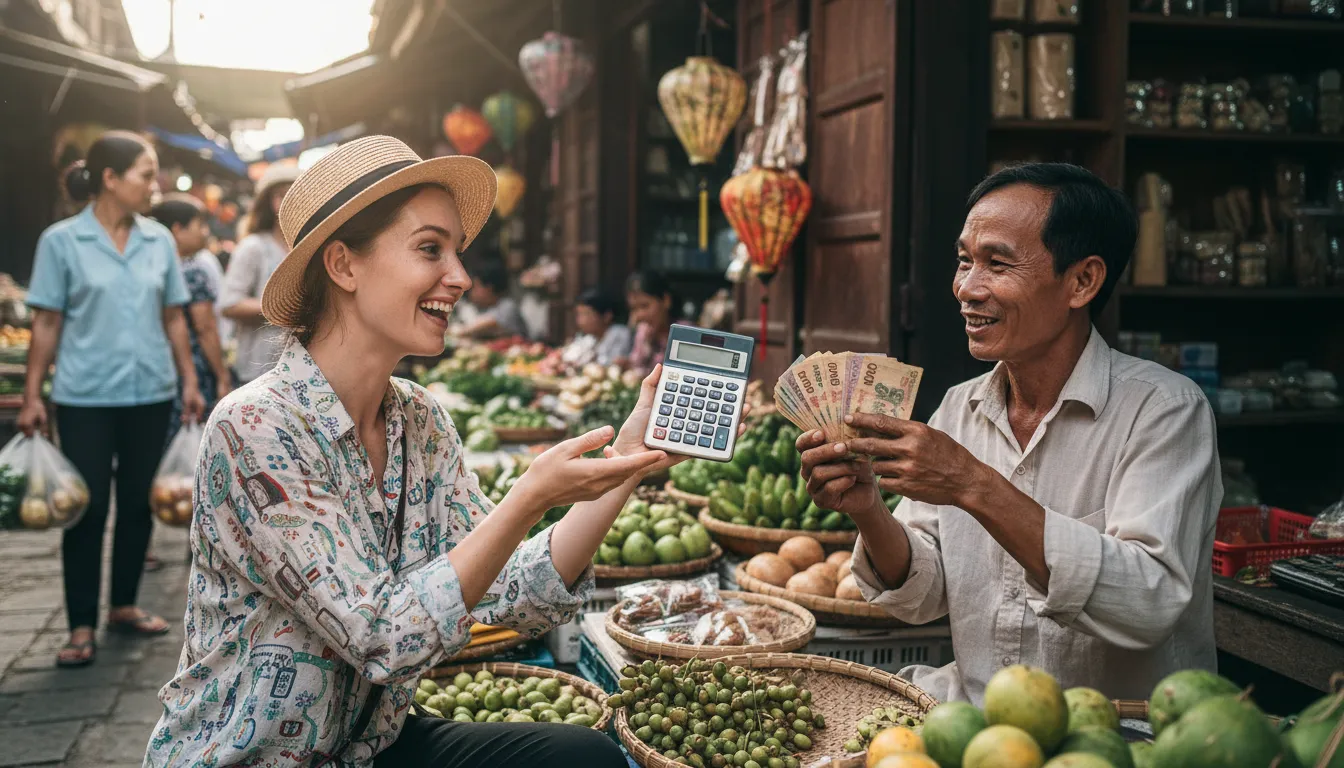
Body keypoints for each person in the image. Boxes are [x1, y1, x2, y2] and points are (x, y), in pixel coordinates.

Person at [143, 136, 738, 768]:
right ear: (343, 266)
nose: (459, 278)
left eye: (457, 252)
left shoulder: (418, 418)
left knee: (583, 758)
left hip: (368, 744)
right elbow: (382, 636)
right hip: (253, 760)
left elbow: (512, 588)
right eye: (430, 249)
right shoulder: (254, 427)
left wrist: (625, 461)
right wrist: (529, 494)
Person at [799, 163, 1220, 704]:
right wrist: (868, 509)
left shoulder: (1165, 411)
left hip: (1113, 740)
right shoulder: (961, 406)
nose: (967, 289)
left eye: (997, 264)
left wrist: (973, 484)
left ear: (1082, 281)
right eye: (963, 261)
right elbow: (921, 596)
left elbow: (1148, 598)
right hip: (977, 727)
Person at [19, 131, 206, 667]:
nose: (156, 185)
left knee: (137, 506)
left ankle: (123, 604)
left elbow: (174, 316)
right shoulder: (61, 241)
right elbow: (47, 322)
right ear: (110, 178)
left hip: (151, 392)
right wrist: (34, 395)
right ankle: (80, 625)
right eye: (146, 175)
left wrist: (189, 383)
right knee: (87, 507)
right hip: (85, 397)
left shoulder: (158, 241)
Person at [148, 194, 233, 435]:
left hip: (158, 370)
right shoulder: (194, 271)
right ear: (177, 230)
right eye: (200, 225)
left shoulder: (150, 267)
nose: (205, 232)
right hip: (193, 371)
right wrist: (222, 376)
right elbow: (205, 329)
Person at [219, 164, 300, 384]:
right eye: (280, 195)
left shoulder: (312, 246)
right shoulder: (254, 247)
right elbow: (229, 304)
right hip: (259, 371)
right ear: (268, 203)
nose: (286, 202)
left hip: (306, 369)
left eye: (293, 194)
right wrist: (285, 306)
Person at [623, 269, 681, 375]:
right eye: (634, 309)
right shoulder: (644, 331)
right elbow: (636, 366)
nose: (639, 315)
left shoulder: (684, 334)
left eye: (644, 306)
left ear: (666, 300)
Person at [456, 255, 528, 340]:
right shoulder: (482, 308)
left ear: (489, 289)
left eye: (476, 286)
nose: (471, 292)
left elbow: (490, 323)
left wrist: (459, 331)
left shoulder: (508, 306)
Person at [561, 289, 633, 368]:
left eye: (586, 314)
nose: (581, 321)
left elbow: (612, 365)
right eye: (579, 315)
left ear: (607, 316)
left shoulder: (620, 334)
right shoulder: (591, 338)